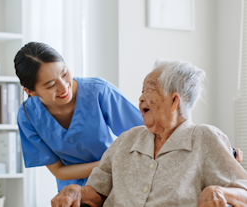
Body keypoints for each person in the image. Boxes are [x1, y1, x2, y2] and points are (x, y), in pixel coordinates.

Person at [51, 59, 247, 207]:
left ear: (174, 100)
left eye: (149, 91)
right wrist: (77, 191)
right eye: (141, 91)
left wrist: (220, 192)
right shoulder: (127, 139)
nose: (141, 98)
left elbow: (244, 191)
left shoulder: (205, 138)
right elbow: (97, 192)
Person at [14, 42, 144, 193]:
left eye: (64, 73)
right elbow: (59, 171)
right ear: (31, 91)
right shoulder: (28, 116)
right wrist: (111, 163)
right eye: (51, 85)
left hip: (116, 183)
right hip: (74, 194)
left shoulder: (99, 91)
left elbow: (144, 132)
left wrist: (116, 164)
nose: (64, 87)